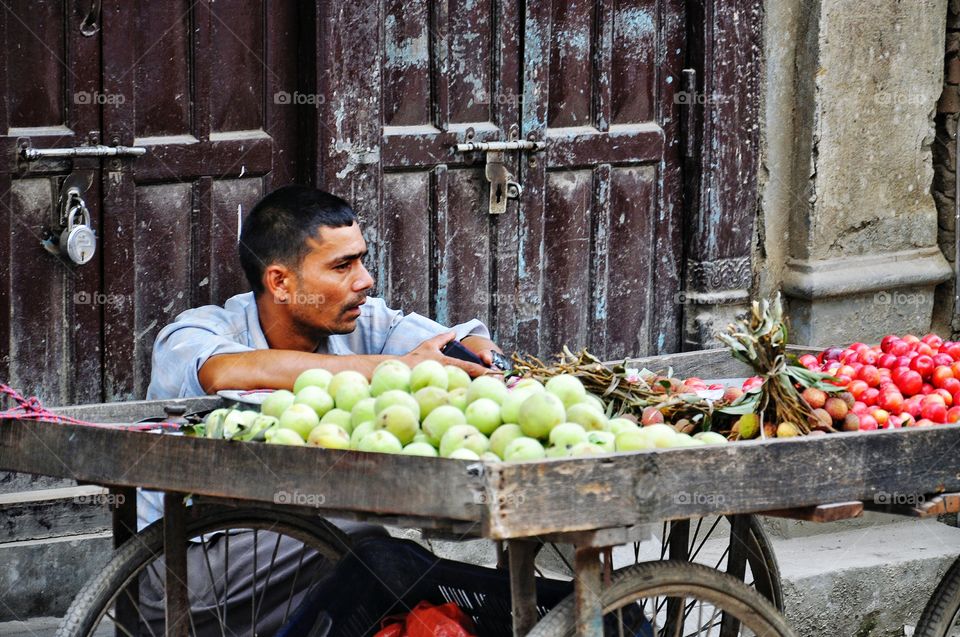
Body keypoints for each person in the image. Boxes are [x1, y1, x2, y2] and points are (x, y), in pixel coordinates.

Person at [138, 185, 502, 635]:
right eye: (342, 266)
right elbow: (225, 373)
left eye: (362, 260)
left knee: (383, 564)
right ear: (280, 282)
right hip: (190, 567)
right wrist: (394, 366)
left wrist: (484, 360)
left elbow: (458, 343)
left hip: (296, 551)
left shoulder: (363, 321)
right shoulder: (198, 332)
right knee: (370, 547)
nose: (365, 280)